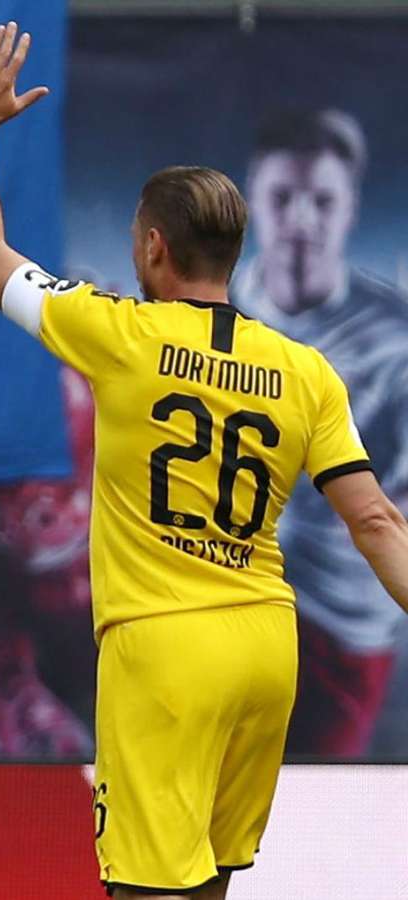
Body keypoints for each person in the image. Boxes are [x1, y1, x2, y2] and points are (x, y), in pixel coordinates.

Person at [0, 24, 408, 899]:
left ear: (153, 246)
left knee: (146, 885)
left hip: (163, 649)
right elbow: (377, 520)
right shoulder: (305, 370)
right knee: (209, 882)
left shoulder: (118, 333)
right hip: (268, 649)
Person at [230, 108, 408, 756]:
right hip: (222, 607)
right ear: (252, 200)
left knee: (310, 804)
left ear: (351, 207)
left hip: (340, 626)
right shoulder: (207, 318)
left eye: (323, 201)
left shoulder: (396, 343)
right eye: (283, 197)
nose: (302, 219)